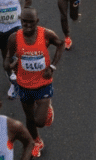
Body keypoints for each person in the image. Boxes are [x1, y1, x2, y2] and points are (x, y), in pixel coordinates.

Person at [7, 8, 65, 158]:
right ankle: (36, 141)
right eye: (24, 22)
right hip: (24, 84)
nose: (27, 25)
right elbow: (8, 59)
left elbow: (60, 44)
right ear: (20, 21)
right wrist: (10, 64)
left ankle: (47, 109)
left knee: (39, 121)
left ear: (37, 22)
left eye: (31, 22)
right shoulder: (14, 38)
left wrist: (52, 66)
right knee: (29, 117)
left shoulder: (46, 34)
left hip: (43, 83)